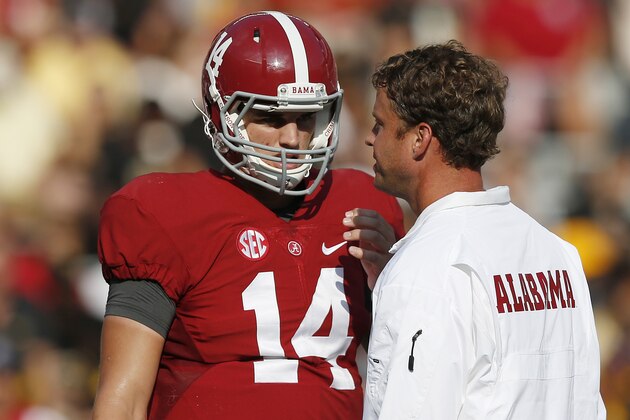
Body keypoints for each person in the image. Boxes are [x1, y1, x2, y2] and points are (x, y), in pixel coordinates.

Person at [91, 11, 405, 420]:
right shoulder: (164, 213)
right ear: (224, 115)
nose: (292, 138)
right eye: (272, 117)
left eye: (306, 117)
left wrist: (391, 282)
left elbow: (412, 370)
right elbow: (124, 396)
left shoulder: (363, 203)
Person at [363, 40, 605, 419]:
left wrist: (401, 286)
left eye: (381, 125)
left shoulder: (425, 269)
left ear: (419, 138)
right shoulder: (558, 254)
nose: (369, 138)